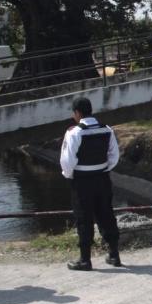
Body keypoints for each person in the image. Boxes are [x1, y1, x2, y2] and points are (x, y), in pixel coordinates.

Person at [60, 97, 121, 270]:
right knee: (106, 214)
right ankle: (114, 254)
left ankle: (85, 259)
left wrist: (71, 176)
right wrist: (102, 168)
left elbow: (67, 162)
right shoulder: (107, 130)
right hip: (102, 179)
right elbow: (114, 156)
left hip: (82, 182)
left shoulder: (74, 133)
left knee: (84, 219)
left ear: (77, 113)